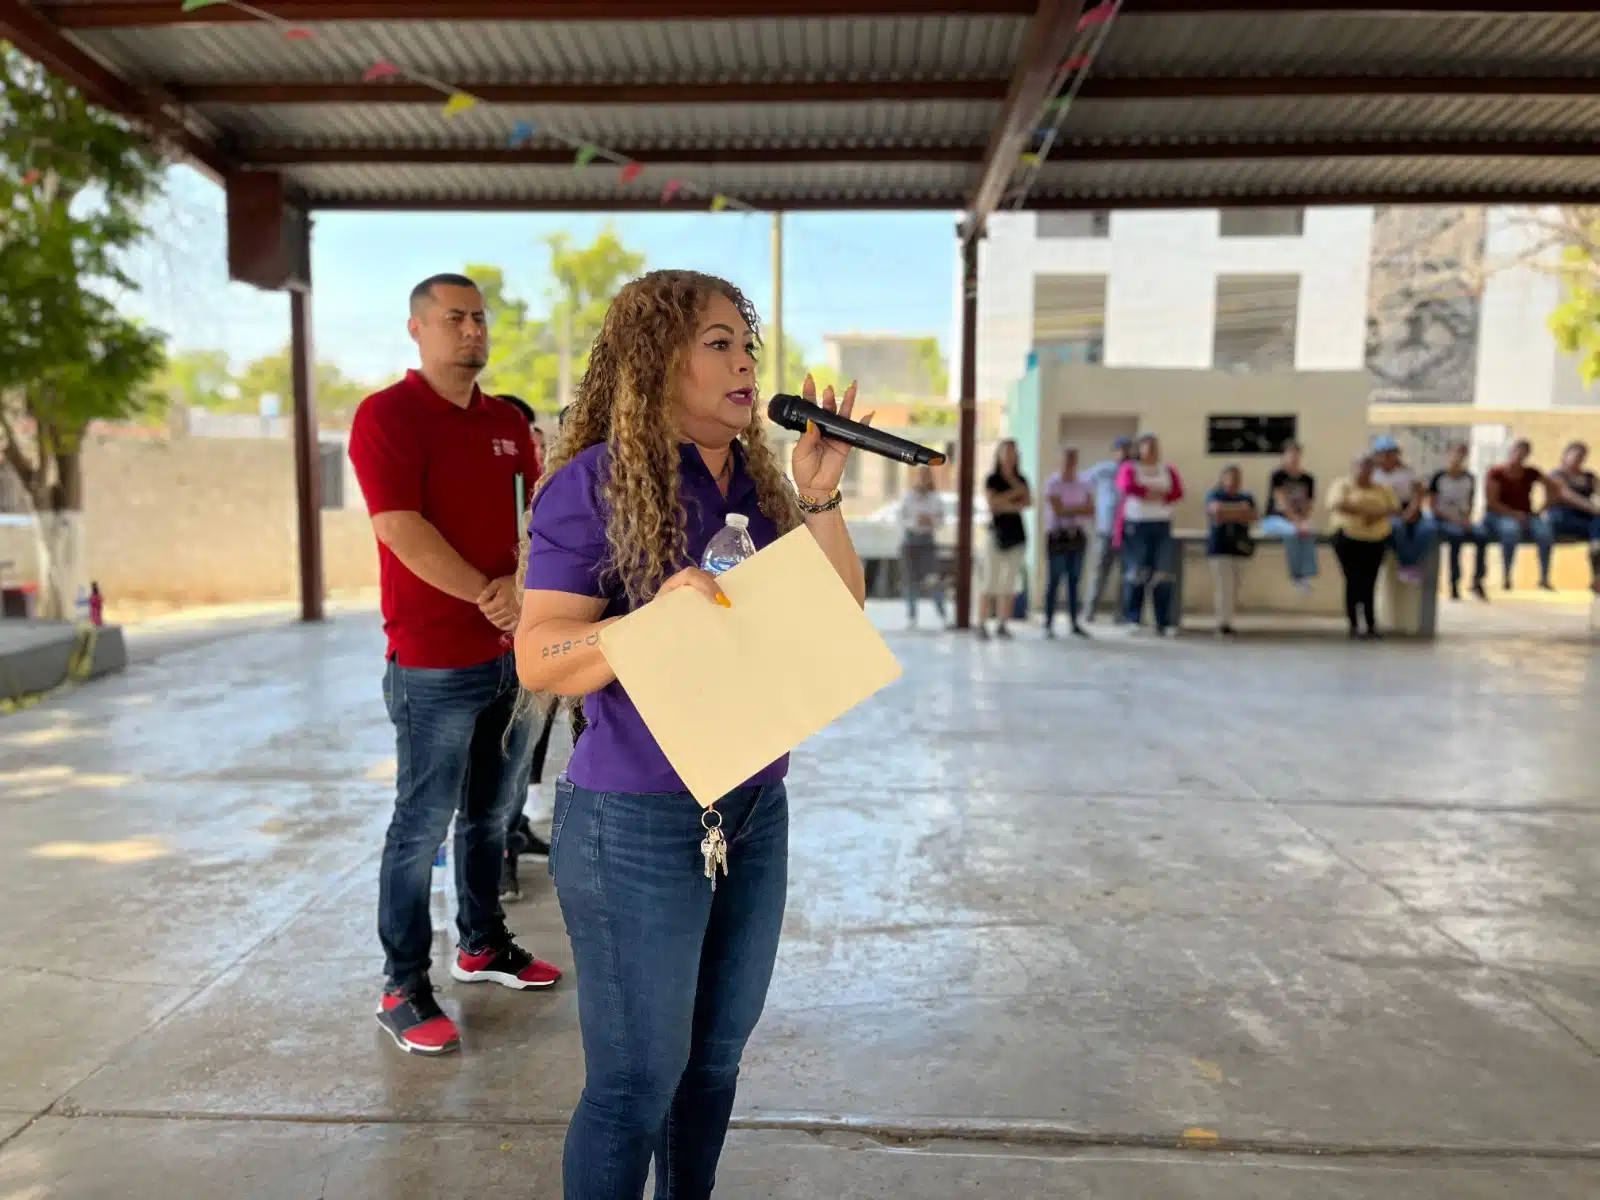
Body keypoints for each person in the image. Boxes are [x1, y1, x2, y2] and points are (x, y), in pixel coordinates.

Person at [514, 270, 867, 1199]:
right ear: (655, 362)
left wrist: (820, 499)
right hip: (633, 819)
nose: (745, 362)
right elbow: (541, 656)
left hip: (754, 807)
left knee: (712, 1066)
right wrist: (642, 626)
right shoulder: (590, 484)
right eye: (719, 344)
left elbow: (841, 614)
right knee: (637, 1082)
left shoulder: (760, 480)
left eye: (747, 345)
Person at [348, 273, 562, 1058]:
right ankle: (403, 985)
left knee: (492, 816)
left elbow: (538, 517)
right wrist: (484, 591)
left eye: (478, 318)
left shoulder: (508, 421)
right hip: (434, 660)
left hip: (510, 653)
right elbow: (398, 526)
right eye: (453, 319)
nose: (470, 330)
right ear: (417, 329)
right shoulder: (386, 416)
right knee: (420, 826)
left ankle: (482, 943)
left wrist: (520, 585)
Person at [1115, 432, 1184, 635]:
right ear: (1139, 449)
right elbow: (1128, 487)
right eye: (1147, 446)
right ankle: (1133, 618)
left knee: (1162, 574)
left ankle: (1162, 621)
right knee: (1137, 573)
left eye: (1155, 446)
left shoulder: (1167, 470)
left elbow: (1177, 492)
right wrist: (1151, 493)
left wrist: (1152, 493)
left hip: (1162, 524)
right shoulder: (1130, 468)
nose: (1151, 450)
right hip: (1137, 525)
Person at [1327, 453, 1397, 640]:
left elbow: (1392, 508)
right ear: (1353, 468)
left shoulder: (1382, 488)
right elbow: (1337, 504)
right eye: (1361, 467)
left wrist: (1374, 516)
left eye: (1369, 468)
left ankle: (1371, 624)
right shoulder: (1342, 485)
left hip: (1376, 539)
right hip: (1348, 539)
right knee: (1353, 581)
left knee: (1370, 582)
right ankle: (1354, 624)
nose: (1364, 472)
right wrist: (1366, 512)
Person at [1481, 439, 1555, 592]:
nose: (1519, 455)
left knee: (1545, 533)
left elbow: (1553, 488)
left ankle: (1544, 578)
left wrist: (1542, 508)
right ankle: (1507, 576)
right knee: (1511, 531)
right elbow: (1492, 501)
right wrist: (1514, 514)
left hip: (1527, 514)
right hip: (1498, 514)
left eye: (1524, 452)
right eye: (1517, 451)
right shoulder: (1496, 473)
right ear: (1510, 452)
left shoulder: (1531, 473)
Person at [980, 439, 1031, 640]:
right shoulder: (992, 479)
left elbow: (1027, 501)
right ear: (999, 455)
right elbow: (992, 504)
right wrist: (1014, 497)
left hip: (1016, 535)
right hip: (996, 534)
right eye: (1005, 452)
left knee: (1009, 583)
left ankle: (1002, 624)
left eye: (1013, 452)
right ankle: (982, 623)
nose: (1009, 456)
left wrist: (1009, 494)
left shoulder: (1021, 479)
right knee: (990, 580)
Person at [1425, 440, 1488, 602]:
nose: (1458, 457)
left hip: (1462, 520)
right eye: (1455, 453)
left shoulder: (1469, 478)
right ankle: (1454, 583)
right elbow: (1432, 505)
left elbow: (1470, 502)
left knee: (1482, 535)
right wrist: (1451, 519)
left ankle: (1477, 580)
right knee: (1456, 537)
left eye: (1462, 453)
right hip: (1443, 520)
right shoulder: (1439, 477)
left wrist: (1466, 519)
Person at [1080, 435, 1134, 622]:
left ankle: (1121, 613)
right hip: (1106, 529)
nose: (1124, 453)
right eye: (1120, 449)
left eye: (1127, 449)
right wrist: (1088, 507)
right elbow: (1082, 483)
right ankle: (1089, 611)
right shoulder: (1104, 469)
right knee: (1100, 571)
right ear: (1114, 452)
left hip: (1129, 529)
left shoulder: (1133, 470)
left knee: (1126, 574)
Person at [1042, 445, 1093, 638]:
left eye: (1073, 459)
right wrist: (1079, 509)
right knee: (1054, 580)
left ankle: (1074, 622)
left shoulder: (1084, 482)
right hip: (1058, 536)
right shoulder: (1053, 483)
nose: (1070, 463)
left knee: (1074, 580)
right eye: (1066, 459)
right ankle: (1048, 623)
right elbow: (1058, 510)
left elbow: (1091, 509)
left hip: (1077, 535)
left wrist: (1071, 509)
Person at [1371, 435, 1435, 585]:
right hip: (1387, 510)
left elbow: (1418, 494)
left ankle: (1413, 561)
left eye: (1391, 453)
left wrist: (1411, 512)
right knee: (1397, 527)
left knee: (1429, 529)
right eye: (1384, 453)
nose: (1388, 457)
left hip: (1409, 508)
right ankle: (1407, 564)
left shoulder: (1408, 472)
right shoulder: (1374, 475)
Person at [1204, 465, 1257, 638]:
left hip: (1240, 548)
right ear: (1223, 478)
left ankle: (1229, 621)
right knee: (1223, 587)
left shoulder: (1247, 497)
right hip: (1220, 548)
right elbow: (1215, 511)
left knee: (1234, 588)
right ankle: (1222, 624)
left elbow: (1252, 515)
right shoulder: (1214, 495)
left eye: (1237, 478)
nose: (1234, 481)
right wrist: (1239, 511)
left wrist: (1227, 512)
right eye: (1230, 477)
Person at [1259, 442, 1318, 593]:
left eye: (1296, 454)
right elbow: (1281, 502)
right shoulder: (1278, 476)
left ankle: (1306, 572)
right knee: (1292, 531)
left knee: (1310, 530)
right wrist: (1297, 522)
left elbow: (1309, 504)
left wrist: (1303, 521)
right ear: (1284, 456)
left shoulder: (1308, 479)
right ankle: (1296, 575)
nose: (1293, 458)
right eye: (1290, 454)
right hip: (1274, 520)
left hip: (1298, 520)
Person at [1543, 440, 1600, 592]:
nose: (1578, 459)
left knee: (1598, 525)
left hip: (1587, 519)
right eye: (1575, 455)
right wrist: (1593, 508)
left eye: (1582, 456)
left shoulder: (1589, 477)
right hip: (1563, 517)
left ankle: (1597, 575)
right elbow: (1567, 496)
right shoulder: (1556, 475)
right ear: (1565, 456)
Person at [898, 464, 946, 627]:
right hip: (910, 541)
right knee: (910, 580)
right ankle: (911, 617)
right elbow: (902, 519)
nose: (923, 478)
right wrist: (916, 521)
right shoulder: (908, 497)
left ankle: (942, 615)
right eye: (920, 475)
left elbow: (941, 521)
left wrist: (930, 521)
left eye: (926, 475)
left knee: (933, 579)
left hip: (928, 541)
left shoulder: (936, 499)